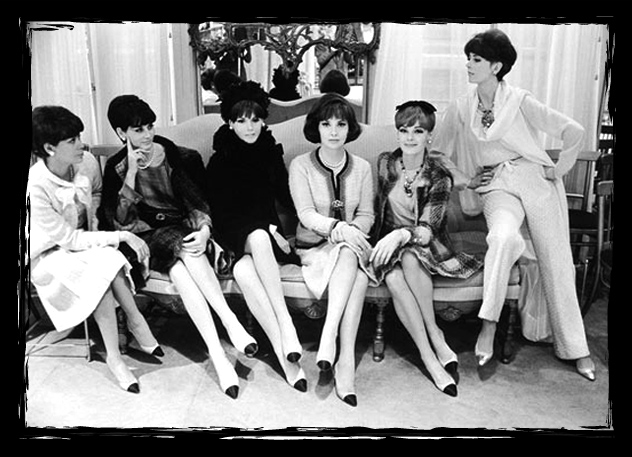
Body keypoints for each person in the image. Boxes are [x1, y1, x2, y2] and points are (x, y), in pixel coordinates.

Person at [430, 29, 596, 380]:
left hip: (536, 181)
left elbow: (574, 131)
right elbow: (438, 152)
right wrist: (466, 179)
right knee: (503, 238)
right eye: (468, 58)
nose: (468, 64)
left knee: (556, 262)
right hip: (497, 185)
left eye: (476, 59)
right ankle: (488, 324)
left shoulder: (520, 100)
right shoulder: (461, 106)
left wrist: (557, 170)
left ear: (496, 66)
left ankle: (576, 348)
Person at [98, 95, 258, 399]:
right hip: (145, 239)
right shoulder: (115, 168)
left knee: (184, 267)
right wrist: (131, 172)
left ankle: (219, 356)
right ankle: (230, 322)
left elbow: (199, 202)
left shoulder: (178, 156)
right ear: (121, 133)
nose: (147, 135)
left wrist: (205, 231)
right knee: (182, 245)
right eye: (138, 130)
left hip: (184, 232)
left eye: (150, 126)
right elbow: (119, 222)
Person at [29, 105, 162, 394]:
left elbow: (91, 216)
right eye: (72, 140)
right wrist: (122, 235)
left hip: (78, 244)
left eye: (79, 136)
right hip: (47, 256)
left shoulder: (85, 163)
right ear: (49, 148)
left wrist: (109, 235)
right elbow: (68, 240)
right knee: (98, 272)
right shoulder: (36, 185)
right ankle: (115, 356)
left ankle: (135, 322)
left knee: (109, 258)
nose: (82, 144)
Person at [370, 101, 484, 397]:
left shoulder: (438, 176)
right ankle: (430, 354)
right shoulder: (385, 163)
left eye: (418, 131)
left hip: (424, 243)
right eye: (404, 130)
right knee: (393, 276)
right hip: (386, 244)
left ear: (429, 136)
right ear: (397, 133)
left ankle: (434, 334)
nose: (410, 137)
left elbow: (426, 230)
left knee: (409, 256)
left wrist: (401, 236)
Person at [205, 81, 307, 392]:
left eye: (255, 119)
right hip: (233, 234)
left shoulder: (270, 153)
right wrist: (266, 228)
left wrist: (312, 215)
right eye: (241, 120)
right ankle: (286, 324)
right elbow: (219, 212)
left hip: (264, 234)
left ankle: (285, 356)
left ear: (263, 120)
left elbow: (286, 196)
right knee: (259, 238)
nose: (249, 127)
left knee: (246, 273)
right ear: (229, 122)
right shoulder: (220, 159)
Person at [289, 92, 374, 406]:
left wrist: (351, 231)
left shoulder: (362, 167)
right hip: (313, 249)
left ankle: (334, 343)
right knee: (358, 275)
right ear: (317, 127)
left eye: (341, 124)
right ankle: (342, 358)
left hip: (350, 248)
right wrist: (339, 229)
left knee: (350, 255)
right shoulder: (301, 165)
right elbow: (306, 214)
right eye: (326, 124)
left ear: (350, 128)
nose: (334, 131)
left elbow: (367, 215)